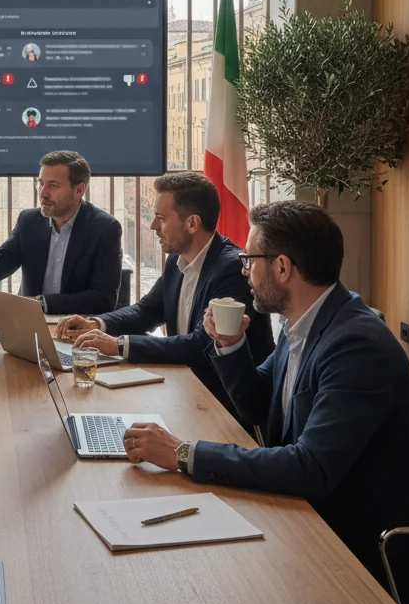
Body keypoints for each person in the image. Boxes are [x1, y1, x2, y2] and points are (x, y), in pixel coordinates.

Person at [119, 201, 409, 604]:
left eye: (249, 260)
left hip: (369, 552)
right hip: (313, 519)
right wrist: (230, 346)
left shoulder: (355, 345)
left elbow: (309, 467)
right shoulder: (305, 324)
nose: (243, 271)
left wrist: (183, 454)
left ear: (281, 268)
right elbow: (258, 405)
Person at [54, 172, 273, 421]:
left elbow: (200, 344)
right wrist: (97, 324)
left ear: (192, 223)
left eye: (160, 218)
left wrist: (119, 345)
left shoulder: (232, 269)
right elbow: (147, 310)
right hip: (184, 391)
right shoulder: (176, 261)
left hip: (225, 408)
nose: (152, 227)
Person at [0, 150, 121, 314]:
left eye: (53, 185)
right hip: (29, 328)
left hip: (78, 331)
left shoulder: (105, 228)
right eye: (41, 183)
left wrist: (41, 303)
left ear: (78, 190)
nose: (43, 193)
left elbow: (103, 299)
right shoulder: (29, 221)